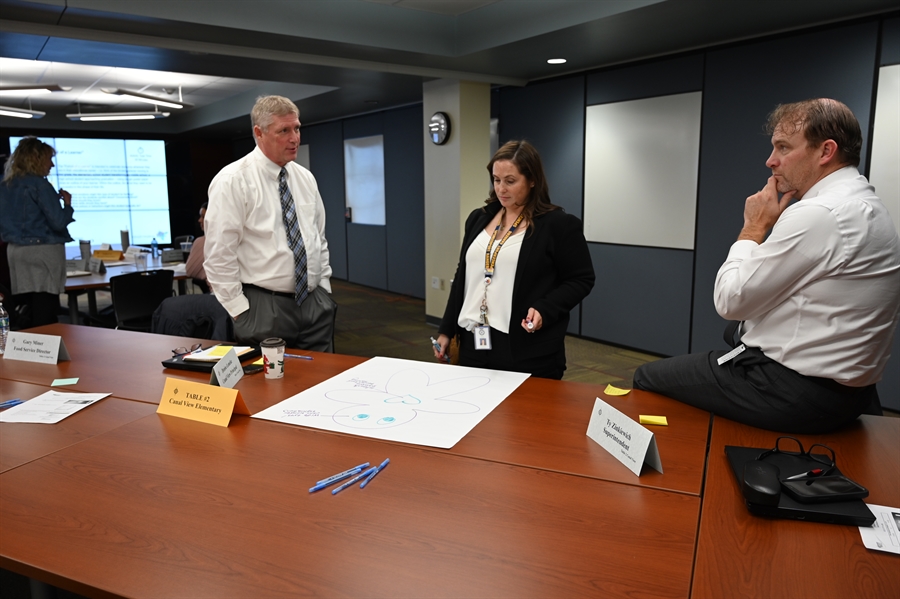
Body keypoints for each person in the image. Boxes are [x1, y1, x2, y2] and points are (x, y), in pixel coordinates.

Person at [633, 98, 900, 434]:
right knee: (732, 340)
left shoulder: (819, 213)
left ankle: (689, 476)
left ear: (826, 151)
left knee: (647, 377)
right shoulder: (869, 205)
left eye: (783, 147)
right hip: (852, 393)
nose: (770, 161)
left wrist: (753, 229)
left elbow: (730, 301)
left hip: (792, 390)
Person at [434, 140, 595, 379]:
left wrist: (545, 308)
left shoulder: (557, 225)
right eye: (496, 180)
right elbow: (463, 276)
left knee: (523, 415)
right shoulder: (478, 219)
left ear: (532, 180)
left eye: (510, 181)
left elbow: (581, 279)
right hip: (474, 341)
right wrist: (446, 330)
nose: (501, 189)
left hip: (524, 348)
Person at [204, 95, 336, 351]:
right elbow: (219, 254)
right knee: (271, 388)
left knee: (320, 381)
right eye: (284, 130)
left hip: (313, 304)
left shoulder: (305, 179)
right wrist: (239, 310)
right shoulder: (233, 180)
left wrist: (323, 288)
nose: (294, 138)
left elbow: (318, 238)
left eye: (297, 128)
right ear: (259, 133)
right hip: (263, 307)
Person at [0, 137, 74, 327]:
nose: (52, 164)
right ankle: (46, 350)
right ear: (37, 159)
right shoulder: (40, 185)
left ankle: (27, 349)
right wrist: (66, 205)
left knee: (28, 306)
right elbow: (58, 222)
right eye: (49, 159)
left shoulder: (5, 184)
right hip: (43, 253)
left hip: (15, 252)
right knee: (46, 308)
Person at [184, 201, 209, 291]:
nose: (199, 220)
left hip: (215, 297)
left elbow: (190, 271)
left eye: (203, 216)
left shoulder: (201, 242)